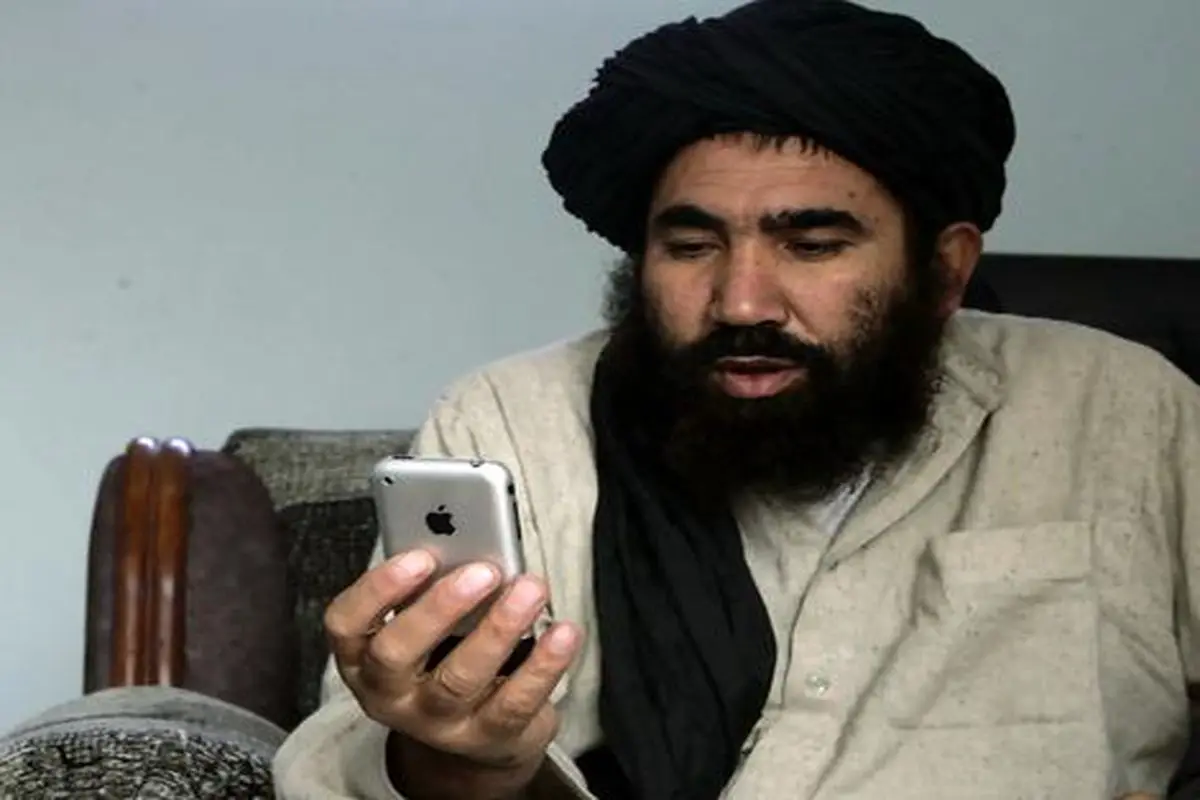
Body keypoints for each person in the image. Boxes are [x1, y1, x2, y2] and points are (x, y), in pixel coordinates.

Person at [274, 1, 1200, 798]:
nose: (741, 303)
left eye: (813, 245)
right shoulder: (513, 420)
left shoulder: (1119, 409)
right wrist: (458, 758)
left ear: (945, 271)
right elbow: (358, 766)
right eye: (690, 247)